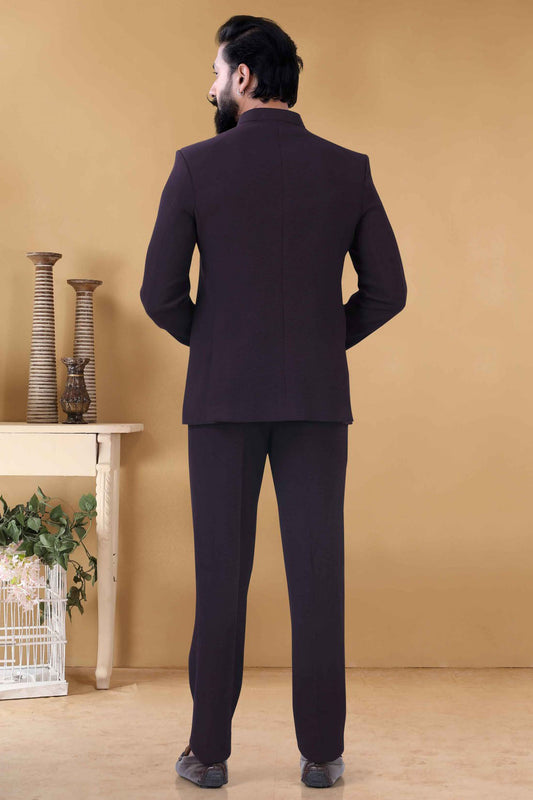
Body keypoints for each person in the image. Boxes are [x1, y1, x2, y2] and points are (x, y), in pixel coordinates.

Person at [140, 14, 407, 790]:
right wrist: (320, 342)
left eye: (215, 72)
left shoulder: (195, 166)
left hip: (221, 400)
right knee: (317, 575)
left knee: (220, 577)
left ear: (243, 77)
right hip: (315, 401)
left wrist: (217, 345)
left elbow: (160, 294)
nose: (210, 87)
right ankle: (322, 754)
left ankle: (208, 755)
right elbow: (387, 291)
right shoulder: (347, 169)